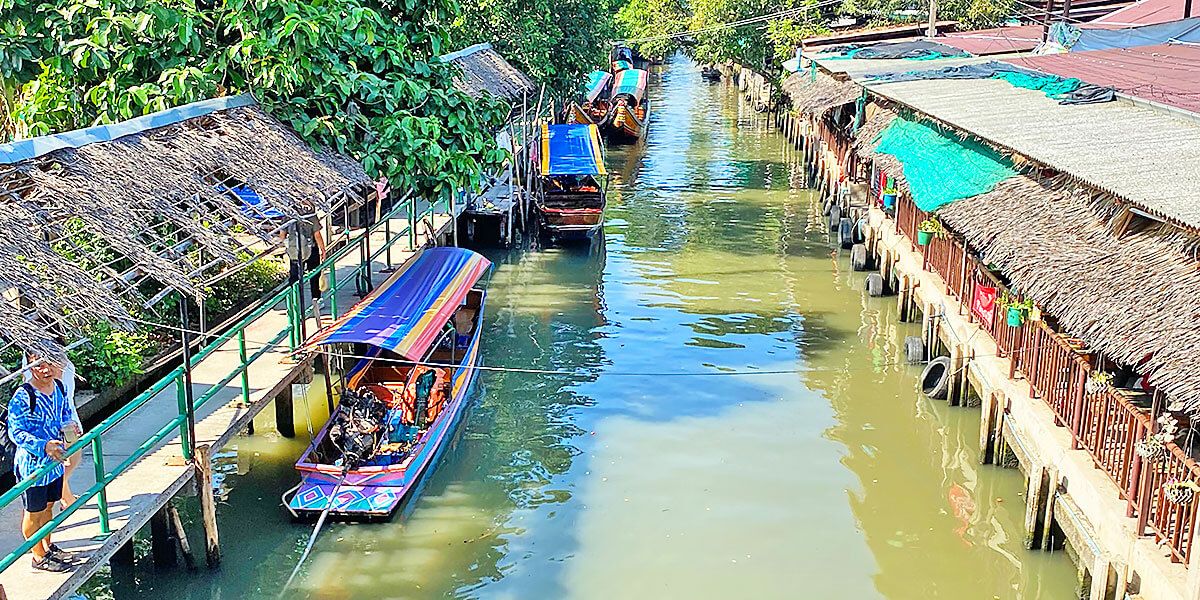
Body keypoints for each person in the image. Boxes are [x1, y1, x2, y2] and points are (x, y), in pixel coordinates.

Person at [8, 353, 75, 572]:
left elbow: (64, 412)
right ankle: (38, 556)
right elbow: (15, 432)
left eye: (50, 363)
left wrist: (69, 427)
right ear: (31, 367)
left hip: (54, 464)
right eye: (40, 365)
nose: (46, 370)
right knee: (33, 512)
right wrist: (43, 445)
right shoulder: (23, 396)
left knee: (49, 506)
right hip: (33, 466)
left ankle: (48, 546)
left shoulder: (59, 387)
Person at [22, 353, 81, 509]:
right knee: (65, 459)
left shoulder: (57, 351)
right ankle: (65, 497)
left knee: (71, 457)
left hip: (66, 416)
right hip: (52, 423)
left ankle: (66, 497)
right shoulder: (38, 357)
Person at [283, 201, 327, 301]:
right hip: (312, 249)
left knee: (294, 277)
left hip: (295, 250)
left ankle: (294, 302)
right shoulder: (311, 216)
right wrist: (323, 250)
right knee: (314, 274)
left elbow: (282, 235)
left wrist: (288, 247)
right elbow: (317, 235)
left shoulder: (288, 216)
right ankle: (316, 299)